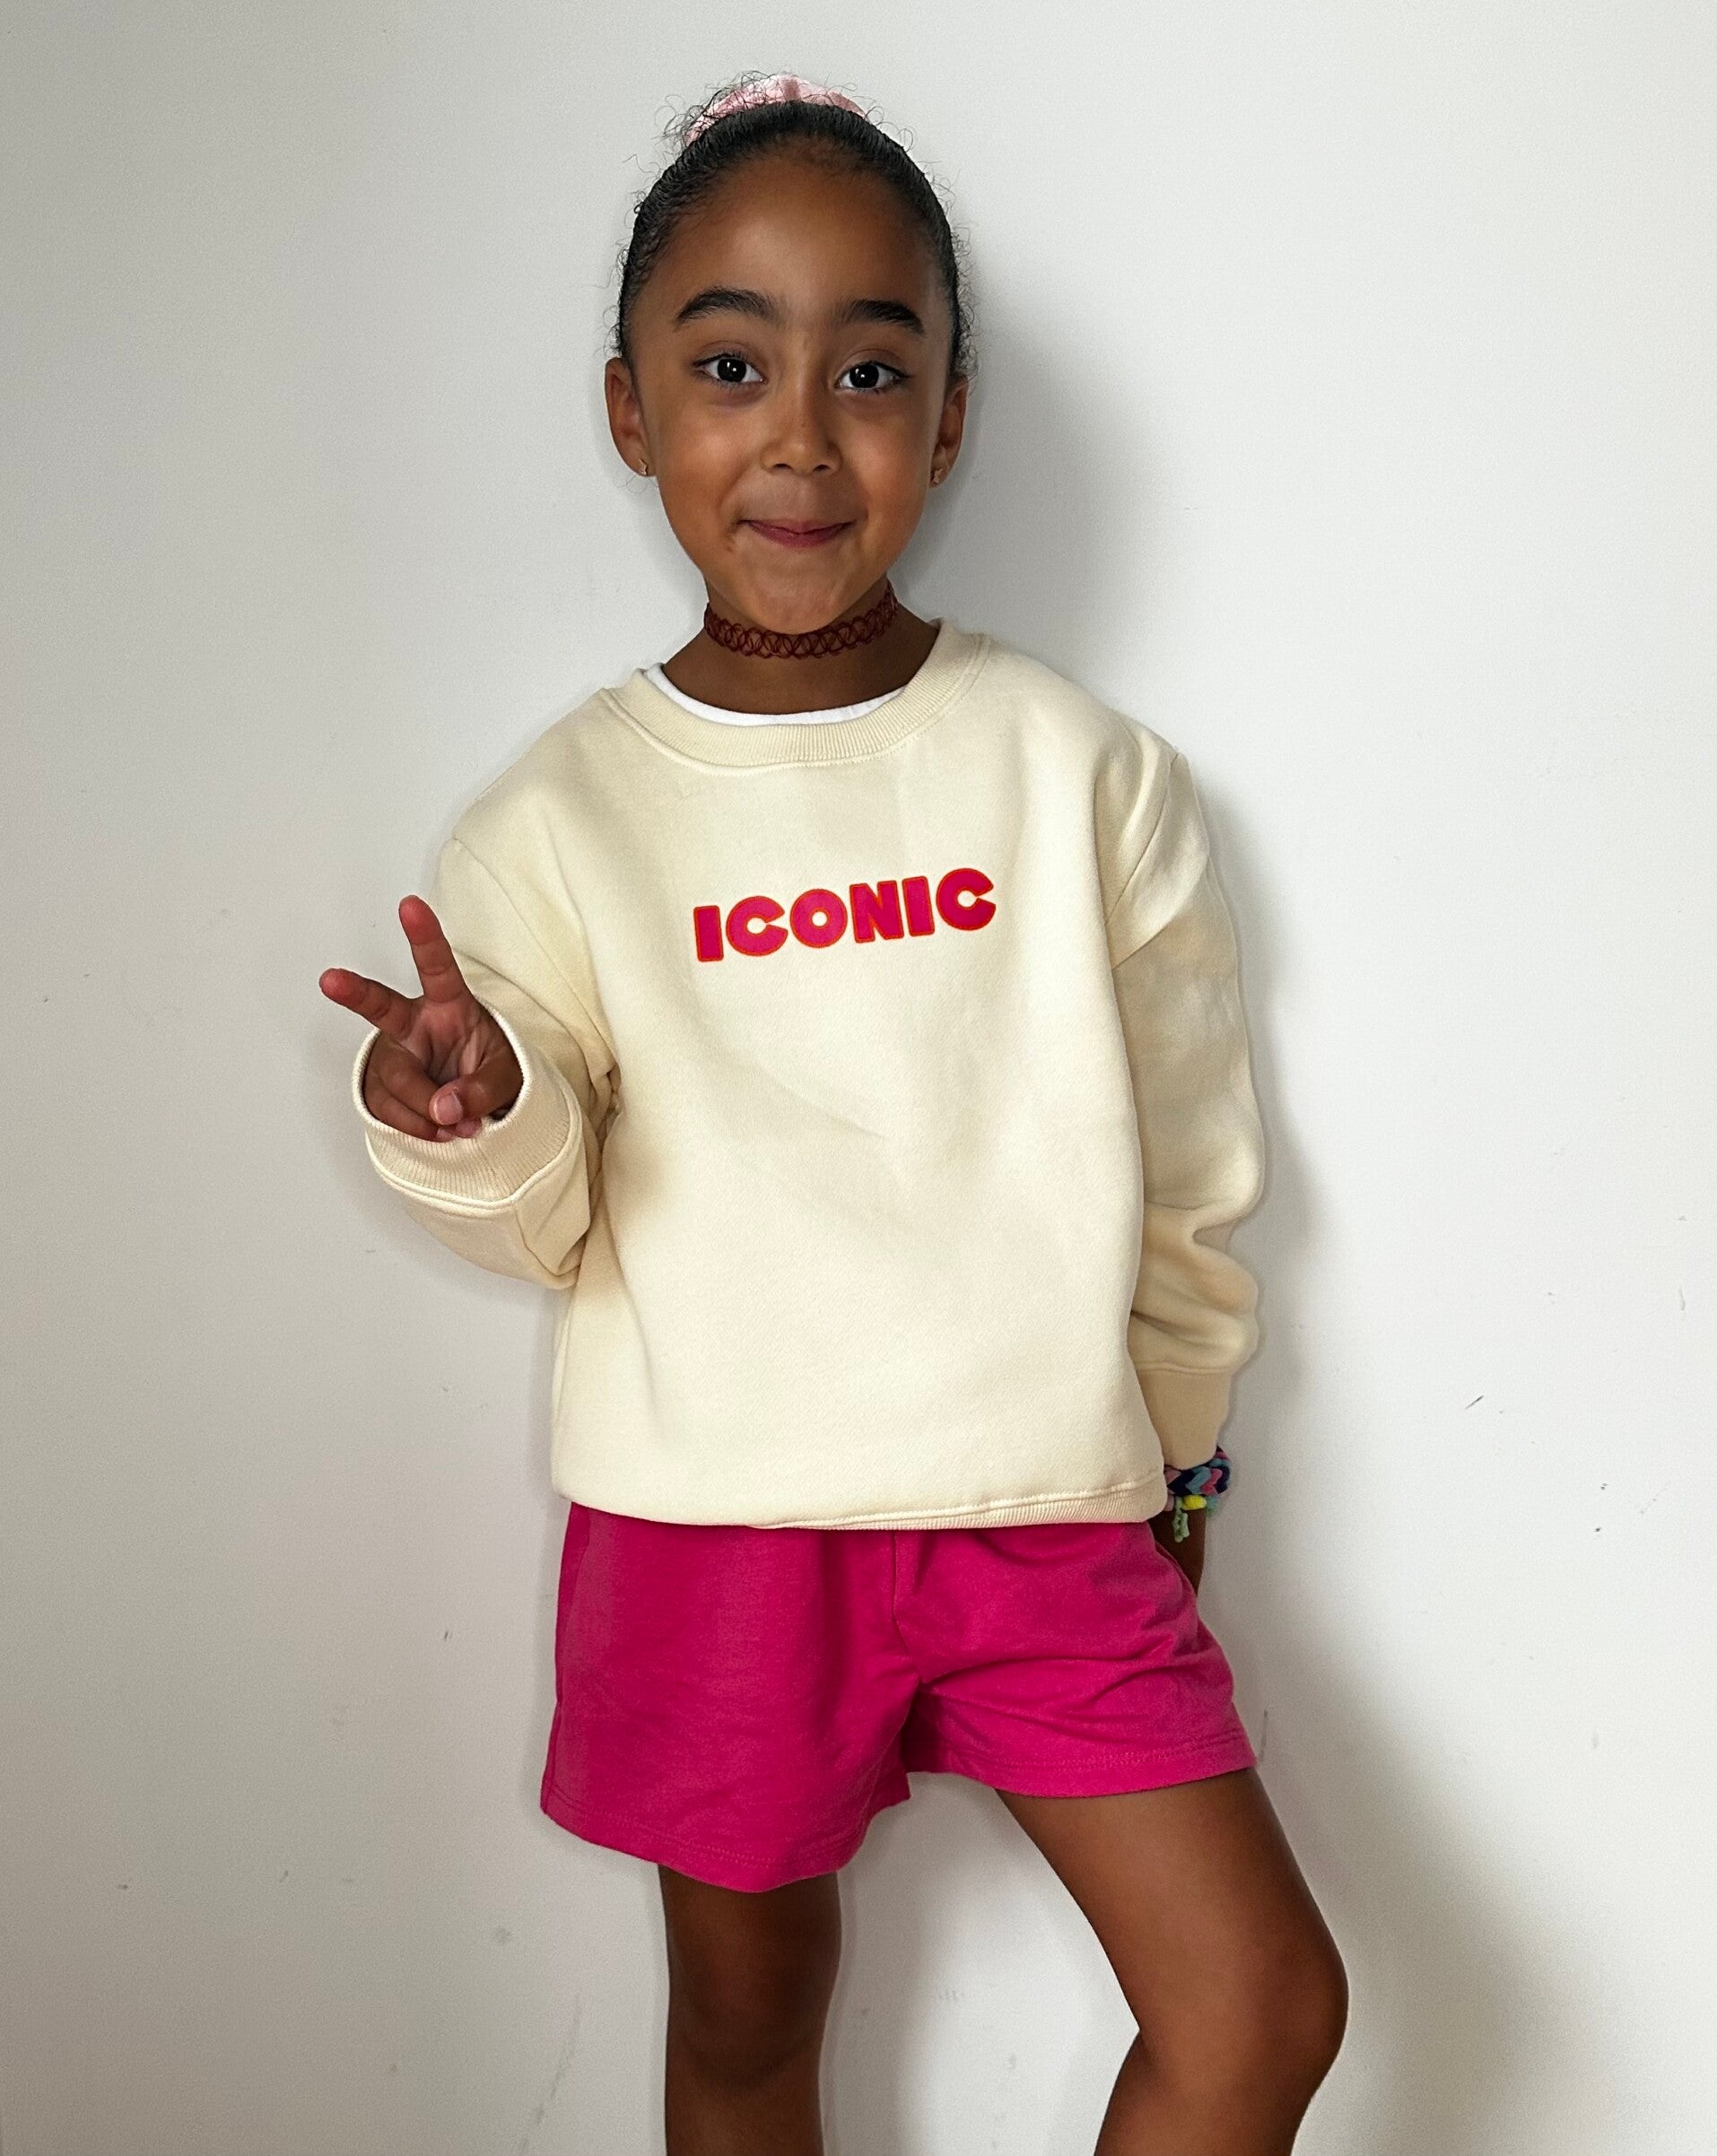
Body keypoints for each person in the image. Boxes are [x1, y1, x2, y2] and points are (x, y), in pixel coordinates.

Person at [319, 70, 1347, 2156]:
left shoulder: (1076, 770)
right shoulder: (558, 818)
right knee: (747, 2014)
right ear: (632, 411)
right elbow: (543, 1209)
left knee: (1258, 2007)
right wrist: (470, 1105)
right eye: (730, 365)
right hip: (713, 1530)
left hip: (1044, 1505)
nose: (799, 433)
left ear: (947, 423)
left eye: (871, 369)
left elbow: (1191, 1172)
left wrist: (1174, 1459)